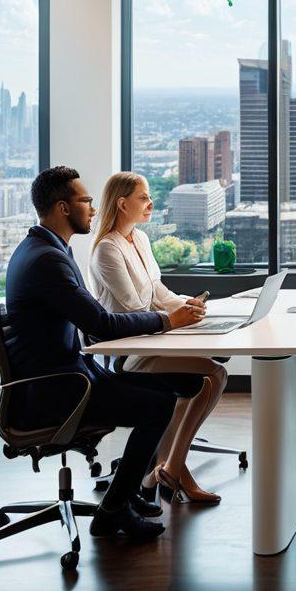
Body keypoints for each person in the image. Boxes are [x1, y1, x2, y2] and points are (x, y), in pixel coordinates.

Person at [3, 167, 206, 541]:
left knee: (178, 386)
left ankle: (126, 495)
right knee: (157, 406)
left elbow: (93, 322)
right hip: (60, 388)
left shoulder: (46, 249)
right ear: (63, 208)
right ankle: (113, 510)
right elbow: (102, 323)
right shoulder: (48, 260)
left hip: (71, 373)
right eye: (86, 201)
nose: (94, 209)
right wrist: (166, 321)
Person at [89, 172, 227, 505]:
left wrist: (186, 305)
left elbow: (158, 292)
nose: (151, 203)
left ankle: (169, 469)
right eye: (143, 197)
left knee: (214, 376)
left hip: (154, 338)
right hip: (132, 351)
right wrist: (174, 319)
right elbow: (134, 307)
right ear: (122, 204)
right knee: (211, 376)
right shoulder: (107, 250)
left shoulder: (140, 239)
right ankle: (171, 470)